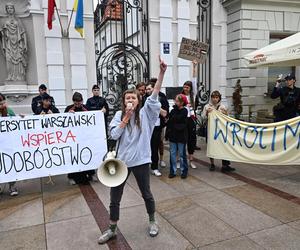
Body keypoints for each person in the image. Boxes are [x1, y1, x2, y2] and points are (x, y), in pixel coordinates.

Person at [98, 56, 167, 244]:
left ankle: (152, 221)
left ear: (138, 100)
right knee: (114, 198)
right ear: (123, 101)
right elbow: (113, 135)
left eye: (133, 97)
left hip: (142, 161)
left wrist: (161, 73)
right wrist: (125, 119)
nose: (130, 100)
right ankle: (112, 228)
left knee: (146, 193)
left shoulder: (146, 113)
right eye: (127, 98)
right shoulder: (119, 115)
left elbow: (155, 95)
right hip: (122, 163)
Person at [65, 92, 96, 185]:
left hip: (85, 137)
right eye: (75, 103)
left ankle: (91, 173)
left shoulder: (86, 108)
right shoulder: (68, 108)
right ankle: (71, 176)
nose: (77, 105)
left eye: (79, 103)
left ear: (82, 101)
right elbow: (63, 121)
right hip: (73, 138)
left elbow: (94, 117)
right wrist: (67, 114)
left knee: (87, 155)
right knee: (74, 156)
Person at [202, 91, 235, 173]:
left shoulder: (222, 107)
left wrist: (226, 113)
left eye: (217, 97)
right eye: (213, 97)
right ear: (211, 98)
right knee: (211, 146)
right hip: (210, 129)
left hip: (220, 130)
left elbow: (227, 118)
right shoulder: (207, 106)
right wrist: (207, 113)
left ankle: (225, 165)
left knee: (224, 146)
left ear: (219, 98)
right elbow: (203, 118)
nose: (215, 99)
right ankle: (212, 164)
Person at [145, 80, 169, 176]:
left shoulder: (161, 98)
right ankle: (146, 164)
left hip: (157, 126)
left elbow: (166, 111)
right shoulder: (144, 98)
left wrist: (158, 109)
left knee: (155, 146)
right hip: (146, 126)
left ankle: (155, 167)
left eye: (149, 89)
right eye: (146, 89)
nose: (147, 91)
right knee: (147, 147)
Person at [0, 3, 27, 81]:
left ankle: (19, 77)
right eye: (8, 8)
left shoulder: (18, 20)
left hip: (18, 43)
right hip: (8, 43)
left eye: (11, 8)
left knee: (19, 60)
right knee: (9, 59)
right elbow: (2, 33)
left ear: (13, 9)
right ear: (6, 10)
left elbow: (23, 32)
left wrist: (25, 44)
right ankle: (10, 76)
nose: (9, 9)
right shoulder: (4, 21)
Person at [166, 94, 189, 179]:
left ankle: (184, 171)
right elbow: (170, 122)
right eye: (175, 100)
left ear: (182, 102)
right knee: (172, 154)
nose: (175, 102)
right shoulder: (173, 110)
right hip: (173, 136)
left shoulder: (185, 111)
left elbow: (180, 120)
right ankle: (173, 171)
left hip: (181, 136)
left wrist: (173, 120)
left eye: (177, 101)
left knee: (182, 155)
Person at [0, 93, 19, 196]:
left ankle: (12, 186)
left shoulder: (10, 111)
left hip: (7, 143)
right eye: (0, 104)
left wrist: (21, 118)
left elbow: (16, 123)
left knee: (9, 163)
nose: (3, 105)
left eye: (4, 103)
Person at [181, 60, 198, 169]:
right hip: (182, 120)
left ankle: (191, 160)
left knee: (191, 140)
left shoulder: (193, 95)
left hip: (191, 120)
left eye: (187, 87)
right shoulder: (180, 96)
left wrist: (194, 67)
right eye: (184, 86)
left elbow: (194, 80)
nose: (185, 88)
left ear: (191, 88)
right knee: (182, 140)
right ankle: (180, 160)